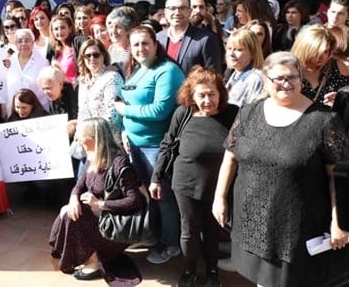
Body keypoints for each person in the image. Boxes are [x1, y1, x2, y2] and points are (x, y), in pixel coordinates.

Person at [212, 51, 349, 286]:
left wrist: (341, 222)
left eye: (292, 77)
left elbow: (339, 177)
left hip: (294, 229)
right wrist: (220, 197)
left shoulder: (325, 121)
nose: (286, 84)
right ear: (266, 80)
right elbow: (231, 156)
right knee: (262, 281)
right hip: (252, 221)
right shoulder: (249, 112)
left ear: (301, 78)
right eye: (279, 79)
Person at [151, 67, 238, 287]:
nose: (207, 100)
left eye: (212, 94)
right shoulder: (184, 113)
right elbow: (168, 145)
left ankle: (211, 272)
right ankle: (189, 269)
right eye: (201, 95)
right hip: (185, 182)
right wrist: (156, 177)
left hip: (218, 185)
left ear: (221, 93)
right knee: (189, 230)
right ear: (192, 95)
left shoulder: (232, 114)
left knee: (212, 230)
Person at [113, 25, 185, 265]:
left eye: (145, 43)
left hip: (158, 147)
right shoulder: (137, 69)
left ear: (156, 44)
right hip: (134, 144)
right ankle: (154, 234)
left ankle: (171, 243)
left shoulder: (168, 71)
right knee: (149, 195)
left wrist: (126, 111)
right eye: (135, 45)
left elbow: (160, 110)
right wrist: (124, 129)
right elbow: (125, 100)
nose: (140, 48)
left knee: (164, 196)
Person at [49, 117, 143, 284]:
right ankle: (78, 252)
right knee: (68, 209)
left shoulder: (119, 163)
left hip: (116, 219)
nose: (76, 139)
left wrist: (100, 204)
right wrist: (73, 200)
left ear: (94, 138)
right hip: (99, 211)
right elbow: (79, 186)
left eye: (80, 136)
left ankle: (93, 262)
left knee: (78, 216)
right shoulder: (92, 157)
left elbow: (134, 201)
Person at [157, 0, 223, 74]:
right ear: (166, 12)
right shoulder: (157, 38)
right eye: (172, 8)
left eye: (182, 8)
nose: (177, 13)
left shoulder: (206, 39)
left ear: (189, 11)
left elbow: (213, 76)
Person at [77, 39, 123, 148]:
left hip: (109, 142)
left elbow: (113, 115)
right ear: (83, 58)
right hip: (88, 143)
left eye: (96, 55)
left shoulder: (112, 77)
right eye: (88, 56)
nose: (92, 58)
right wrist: (79, 132)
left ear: (103, 56)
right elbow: (82, 112)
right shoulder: (83, 81)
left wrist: (92, 134)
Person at [291, 24, 349, 107]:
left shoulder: (338, 67)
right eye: (316, 51)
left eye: (325, 51)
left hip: (329, 118)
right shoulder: (289, 68)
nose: (321, 56)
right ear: (304, 48)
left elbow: (346, 97)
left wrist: (339, 100)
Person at [3, 28, 50, 117]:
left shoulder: (43, 62)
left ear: (33, 43)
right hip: (13, 111)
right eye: (20, 41)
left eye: (27, 40)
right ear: (16, 44)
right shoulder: (8, 61)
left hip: (36, 110)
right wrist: (3, 106)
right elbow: (3, 85)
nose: (23, 44)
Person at [225, 29, 264, 107]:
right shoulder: (236, 73)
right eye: (229, 48)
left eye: (239, 50)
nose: (231, 54)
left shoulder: (255, 79)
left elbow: (252, 112)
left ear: (253, 53)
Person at [47, 15, 87, 86]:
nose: (59, 31)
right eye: (56, 29)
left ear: (70, 29)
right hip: (61, 91)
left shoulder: (78, 42)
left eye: (63, 28)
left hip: (77, 89)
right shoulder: (53, 49)